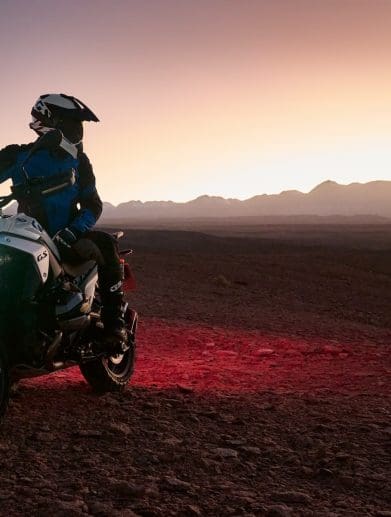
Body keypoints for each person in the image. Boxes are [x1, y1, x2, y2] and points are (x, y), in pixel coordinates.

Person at [0, 93, 126, 352]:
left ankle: (115, 326)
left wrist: (72, 232)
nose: (77, 131)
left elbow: (93, 205)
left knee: (104, 243)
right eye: (70, 123)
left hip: (68, 238)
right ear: (49, 122)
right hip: (25, 234)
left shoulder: (79, 162)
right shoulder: (19, 156)